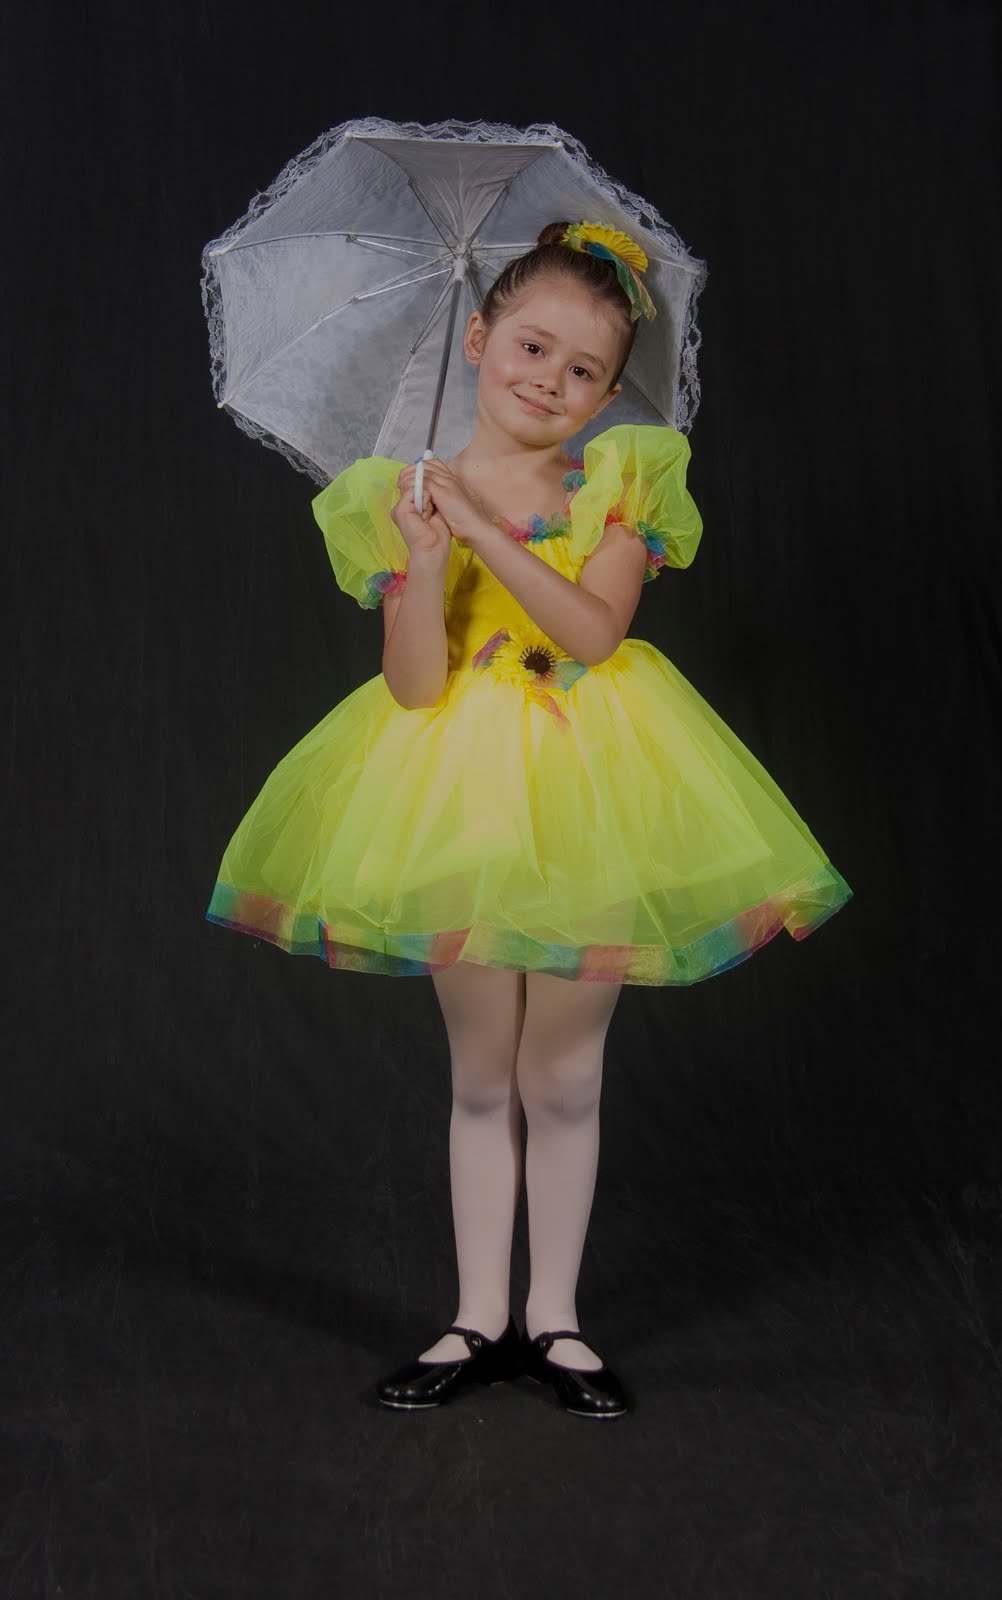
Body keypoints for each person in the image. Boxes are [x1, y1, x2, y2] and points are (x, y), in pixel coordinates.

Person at [205, 220, 853, 1420]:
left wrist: (487, 531)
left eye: (583, 370)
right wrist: (423, 551)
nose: (550, 381)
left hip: (589, 785)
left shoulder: (618, 488)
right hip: (459, 791)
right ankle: (475, 1316)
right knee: (478, 1071)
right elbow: (413, 688)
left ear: (608, 396)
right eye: (533, 348)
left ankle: (554, 1317)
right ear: (479, 339)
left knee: (560, 1070)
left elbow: (591, 633)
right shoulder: (404, 498)